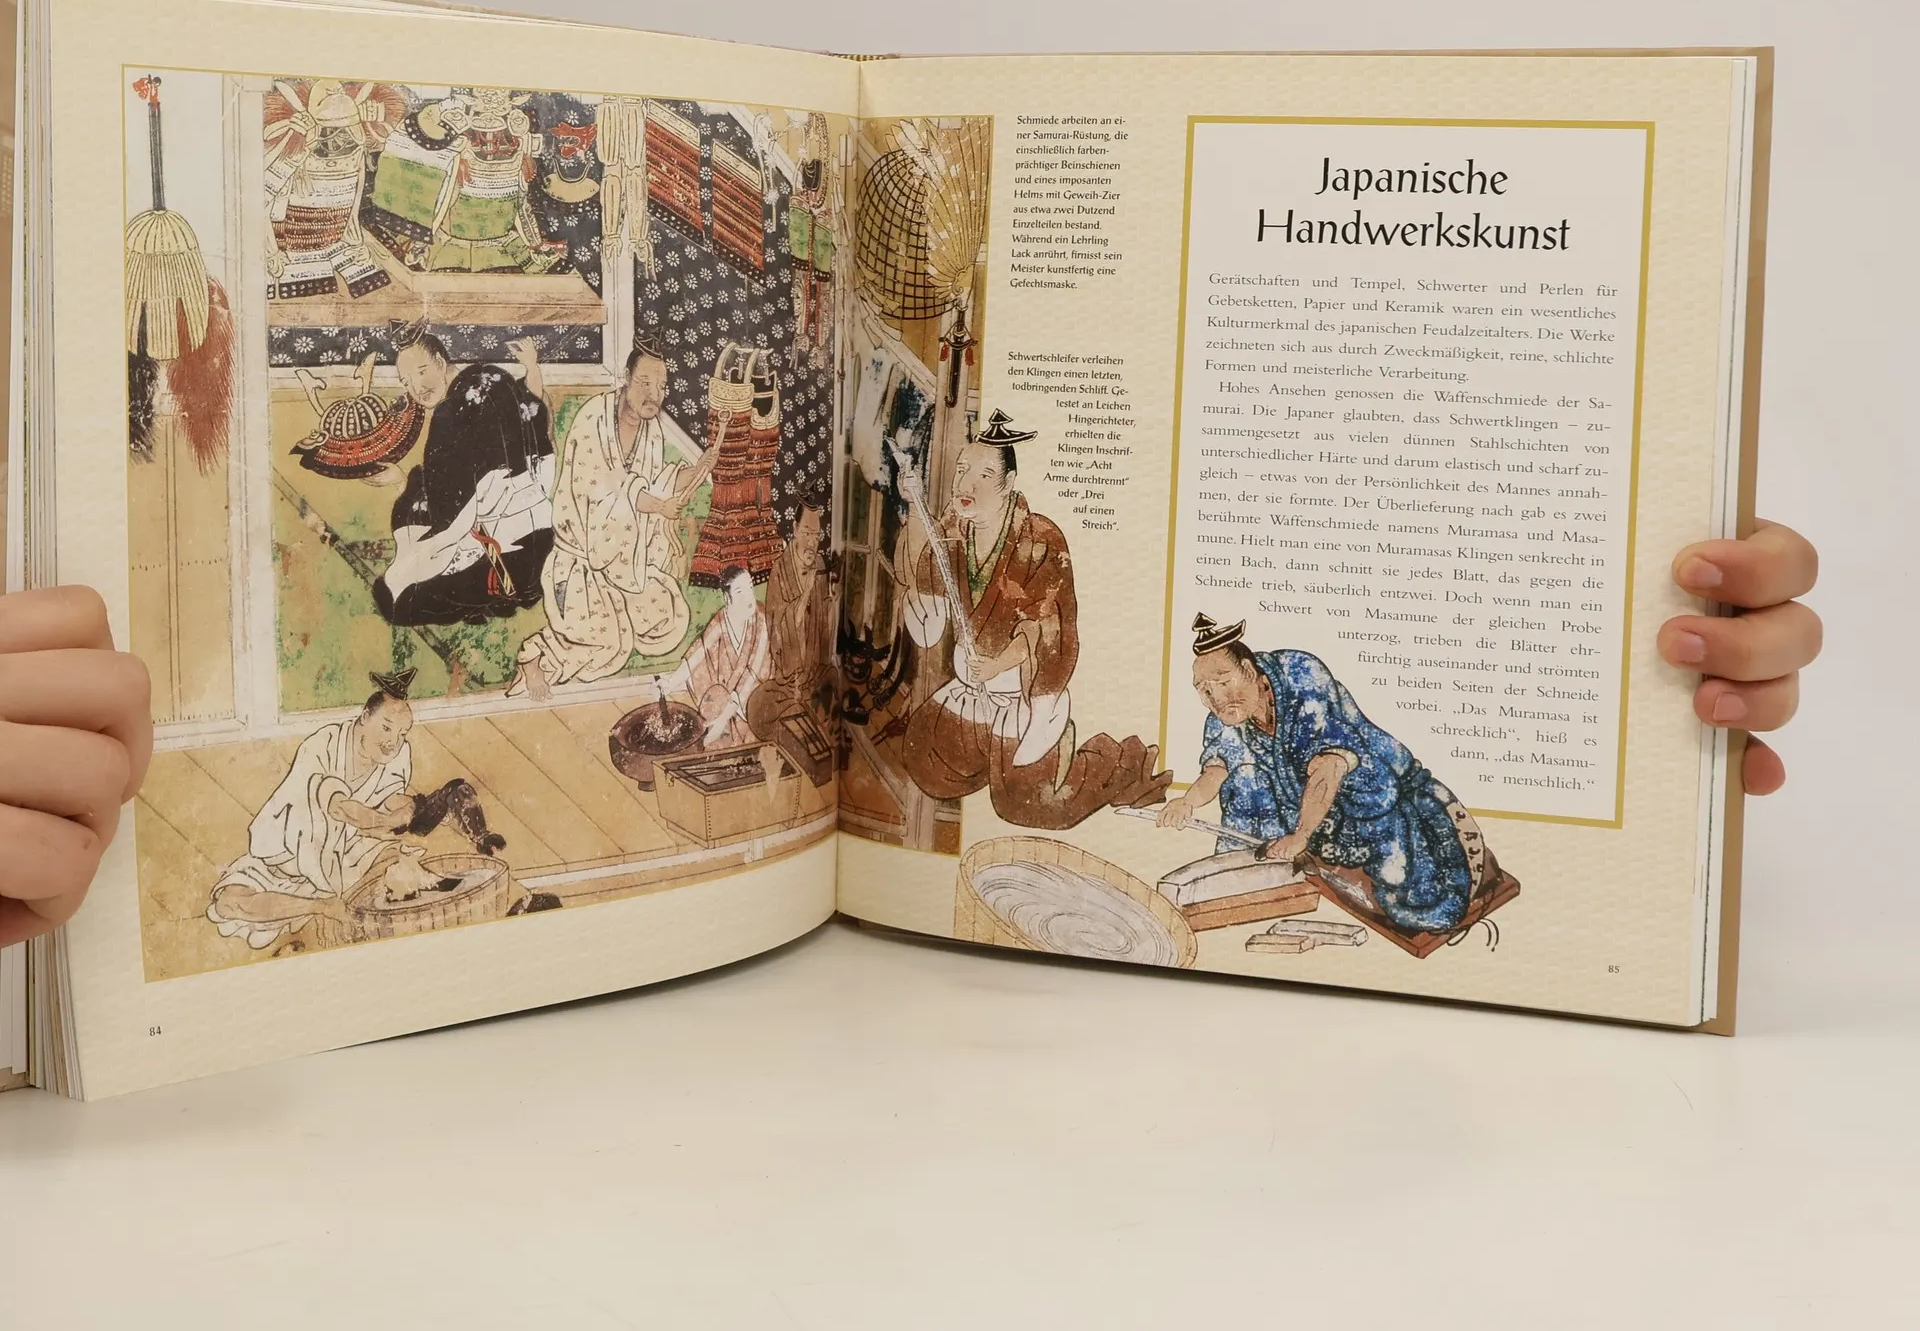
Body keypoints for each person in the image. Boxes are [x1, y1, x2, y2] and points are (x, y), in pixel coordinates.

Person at [0, 524, 1824, 950]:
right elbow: (1242, 779)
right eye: (1208, 698)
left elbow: (1322, 774)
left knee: (1387, 865)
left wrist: (1624, 649)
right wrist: (1211, 801)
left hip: (1377, 814)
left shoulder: (1303, 688)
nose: (1217, 706)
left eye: (1218, 692)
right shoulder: (1235, 713)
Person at [897, 410, 1172, 828]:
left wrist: (996, 665)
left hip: (1017, 689)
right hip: (972, 686)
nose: (966, 485)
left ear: (1008, 483)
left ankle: (1111, 766)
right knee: (925, 760)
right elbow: (926, 584)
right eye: (962, 470)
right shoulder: (953, 529)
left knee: (1028, 803)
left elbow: (1044, 628)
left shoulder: (1040, 538)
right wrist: (915, 507)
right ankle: (991, 759)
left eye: (984, 475)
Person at [1160, 615, 1500, 945]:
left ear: (1248, 671)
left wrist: (1301, 835)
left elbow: (1330, 765)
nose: (1215, 698)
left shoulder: (1300, 674)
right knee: (1244, 781)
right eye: (1204, 690)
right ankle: (1258, 874)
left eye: (1222, 683)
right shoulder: (1224, 718)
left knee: (1415, 899)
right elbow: (1217, 770)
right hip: (1303, 801)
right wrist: (1186, 802)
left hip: (1361, 780)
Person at [205, 672, 508, 950]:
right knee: (228, 903)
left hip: (344, 857)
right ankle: (318, 907)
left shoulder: (399, 754)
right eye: (386, 728)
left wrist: (408, 808)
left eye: (402, 733)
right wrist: (385, 819)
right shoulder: (323, 745)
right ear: (365, 717)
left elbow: (388, 798)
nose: (392, 742)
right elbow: (341, 809)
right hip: (283, 860)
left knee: (402, 869)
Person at [510, 336, 724, 699]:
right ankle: (535, 655)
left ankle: (610, 615)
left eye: (662, 387)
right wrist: (657, 506)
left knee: (669, 615)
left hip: (624, 559)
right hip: (581, 559)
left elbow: (659, 481)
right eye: (645, 382)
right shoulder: (593, 418)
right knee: (610, 647)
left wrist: (699, 469)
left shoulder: (651, 431)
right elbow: (606, 492)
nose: (654, 394)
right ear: (626, 377)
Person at [372, 328, 555, 627]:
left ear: (440, 362)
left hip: (508, 547)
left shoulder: (449, 413)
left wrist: (406, 487)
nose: (416, 387)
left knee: (396, 598)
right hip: (535, 531)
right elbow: (534, 411)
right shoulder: (491, 379)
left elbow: (449, 512)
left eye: (421, 372)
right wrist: (532, 369)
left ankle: (490, 597)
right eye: (406, 382)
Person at [746, 501, 833, 743]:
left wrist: (832, 602)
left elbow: (823, 625)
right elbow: (779, 623)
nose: (811, 542)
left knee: (833, 683)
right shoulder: (780, 570)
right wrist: (807, 591)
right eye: (806, 533)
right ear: (795, 529)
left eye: (816, 535)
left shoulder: (820, 565)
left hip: (812, 674)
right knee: (757, 709)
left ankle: (804, 713)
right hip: (787, 677)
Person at [660, 566, 771, 748]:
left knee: (747, 733)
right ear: (727, 598)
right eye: (740, 591)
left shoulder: (762, 619)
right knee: (707, 674)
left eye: (750, 588)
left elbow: (753, 673)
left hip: (756, 691)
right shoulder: (722, 618)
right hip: (730, 692)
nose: (748, 597)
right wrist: (670, 683)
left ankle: (729, 729)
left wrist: (722, 719)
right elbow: (699, 651)